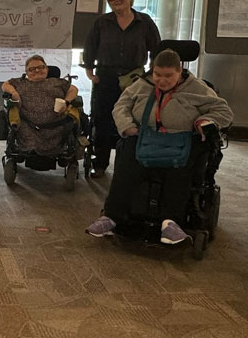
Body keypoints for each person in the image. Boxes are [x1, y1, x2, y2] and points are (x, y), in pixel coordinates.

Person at [85, 48, 233, 243]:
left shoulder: (197, 88)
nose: (162, 80)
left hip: (181, 140)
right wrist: (127, 126)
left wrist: (204, 121)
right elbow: (121, 105)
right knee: (126, 160)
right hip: (144, 137)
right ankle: (111, 217)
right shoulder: (142, 84)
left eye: (169, 76)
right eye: (158, 75)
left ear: (180, 72)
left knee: (181, 169)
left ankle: (171, 223)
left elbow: (224, 111)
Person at [82, 0, 160, 176]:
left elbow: (157, 48)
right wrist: (90, 72)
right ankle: (100, 163)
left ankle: (130, 163)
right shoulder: (102, 22)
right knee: (102, 119)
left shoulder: (145, 22)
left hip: (134, 77)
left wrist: (152, 74)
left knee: (134, 117)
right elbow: (90, 47)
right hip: (106, 76)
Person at [1, 55, 81, 156]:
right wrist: (14, 93)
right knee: (28, 141)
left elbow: (73, 89)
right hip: (28, 126)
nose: (37, 70)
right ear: (27, 72)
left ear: (47, 69)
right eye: (32, 69)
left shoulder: (57, 82)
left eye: (41, 67)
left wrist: (67, 102)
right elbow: (5, 85)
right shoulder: (20, 82)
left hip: (57, 127)